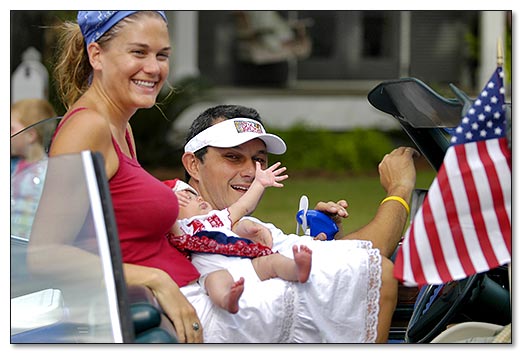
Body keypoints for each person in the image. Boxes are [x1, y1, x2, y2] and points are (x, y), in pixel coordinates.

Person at [34, 10, 417, 343]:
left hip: (193, 289)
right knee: (374, 274)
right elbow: (44, 256)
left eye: (162, 55)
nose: (153, 68)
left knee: (368, 273)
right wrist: (155, 279)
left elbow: (122, 228)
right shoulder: (88, 129)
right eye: (138, 52)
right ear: (96, 54)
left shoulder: (120, 129)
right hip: (175, 304)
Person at [178, 104, 419, 343]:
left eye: (259, 160)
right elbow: (372, 258)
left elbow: (356, 255)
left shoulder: (249, 227)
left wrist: (329, 241)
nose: (251, 171)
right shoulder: (169, 213)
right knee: (376, 270)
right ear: (193, 165)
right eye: (233, 157)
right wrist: (399, 188)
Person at [168, 162, 313, 314]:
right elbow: (160, 216)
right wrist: (167, 201)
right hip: (215, 269)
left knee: (272, 262)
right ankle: (227, 299)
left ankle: (296, 269)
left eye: (196, 195)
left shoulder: (218, 217)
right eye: (187, 198)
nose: (198, 199)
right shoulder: (181, 229)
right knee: (214, 281)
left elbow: (243, 206)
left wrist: (259, 183)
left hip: (245, 261)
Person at [11, 98, 57, 239]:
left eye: (11, 129)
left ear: (30, 135)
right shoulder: (12, 167)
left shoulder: (48, 172)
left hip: (30, 245)